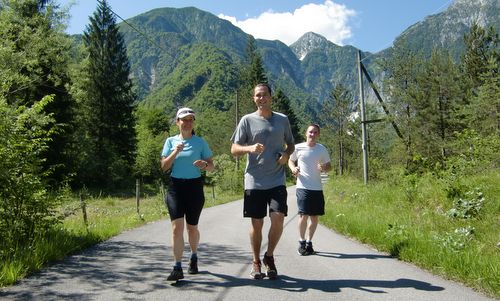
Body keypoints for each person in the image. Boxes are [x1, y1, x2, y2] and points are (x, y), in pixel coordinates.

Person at [230, 83, 295, 280]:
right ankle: (256, 261)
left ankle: (269, 256)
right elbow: (233, 149)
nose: (261, 98)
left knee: (278, 219)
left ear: (270, 97)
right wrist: (249, 149)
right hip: (254, 181)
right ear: (254, 99)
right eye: (257, 96)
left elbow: (291, 144)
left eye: (264, 95)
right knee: (256, 223)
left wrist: (285, 154)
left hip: (277, 179)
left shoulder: (282, 120)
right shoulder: (247, 121)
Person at [160, 107, 214, 281]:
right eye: (184, 119)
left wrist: (204, 165)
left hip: (194, 188)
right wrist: (176, 151)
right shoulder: (170, 141)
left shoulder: (200, 142)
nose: (187, 122)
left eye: (190, 119)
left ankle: (194, 256)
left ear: (193, 122)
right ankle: (177, 266)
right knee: (177, 228)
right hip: (175, 188)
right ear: (177, 122)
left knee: (192, 228)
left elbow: (212, 166)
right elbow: (164, 166)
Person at [288, 124, 331, 256]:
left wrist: (323, 168)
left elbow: (329, 166)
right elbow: (290, 160)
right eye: (310, 132)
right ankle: (301, 242)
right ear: (306, 133)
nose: (312, 134)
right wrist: (293, 169)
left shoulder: (321, 149)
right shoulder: (298, 147)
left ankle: (309, 242)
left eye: (315, 132)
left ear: (318, 135)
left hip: (317, 188)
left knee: (314, 218)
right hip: (303, 186)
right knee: (303, 215)